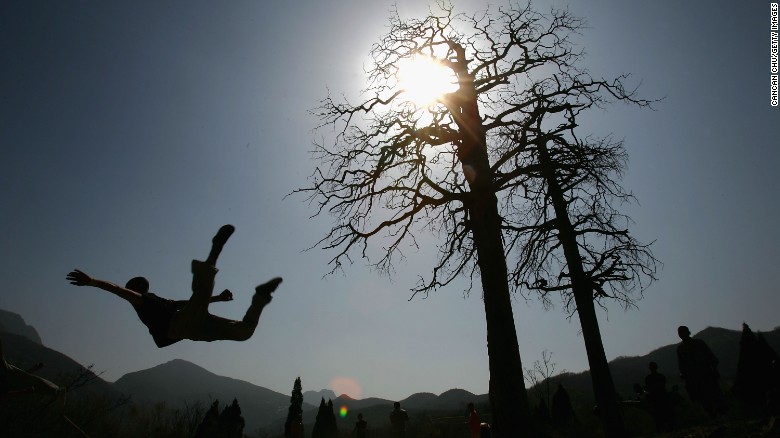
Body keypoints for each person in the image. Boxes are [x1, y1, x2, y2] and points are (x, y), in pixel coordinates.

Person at [66, 225, 282, 347]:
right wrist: (93, 281)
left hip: (189, 326)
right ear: (137, 289)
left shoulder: (154, 299)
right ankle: (214, 253)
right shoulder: (140, 301)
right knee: (203, 298)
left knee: (244, 331)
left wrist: (217, 299)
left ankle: (260, 298)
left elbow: (184, 302)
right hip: (181, 327)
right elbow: (118, 290)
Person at [676, 325, 722, 415]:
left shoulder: (699, 343)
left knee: (714, 396)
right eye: (680, 332)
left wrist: (714, 369)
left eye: (682, 332)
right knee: (703, 399)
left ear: (688, 332)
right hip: (694, 378)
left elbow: (710, 357)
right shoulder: (681, 349)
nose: (681, 334)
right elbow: (682, 365)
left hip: (706, 374)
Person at [0, 339, 63, 404]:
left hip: (6, 375)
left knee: (30, 381)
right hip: (6, 376)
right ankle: (57, 391)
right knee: (31, 381)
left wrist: (24, 391)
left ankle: (57, 391)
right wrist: (24, 391)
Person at [644, 361, 674, 432]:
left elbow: (649, 389)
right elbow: (662, 387)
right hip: (661, 397)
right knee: (666, 414)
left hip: (656, 398)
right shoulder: (661, 376)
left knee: (658, 416)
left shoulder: (648, 378)